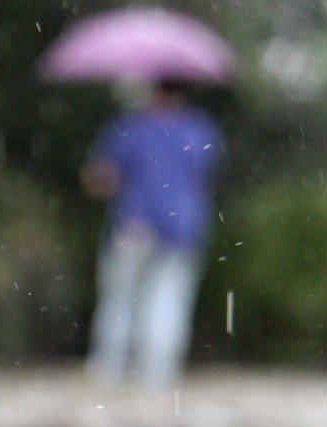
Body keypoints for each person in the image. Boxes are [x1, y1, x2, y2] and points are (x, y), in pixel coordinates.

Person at [81, 81, 224, 392]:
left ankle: (110, 372)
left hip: (135, 224)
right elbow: (206, 178)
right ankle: (156, 378)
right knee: (169, 302)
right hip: (185, 229)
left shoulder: (131, 127)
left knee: (120, 300)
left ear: (153, 89)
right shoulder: (200, 129)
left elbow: (102, 177)